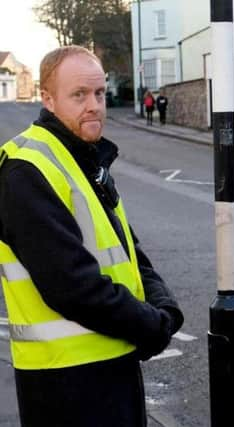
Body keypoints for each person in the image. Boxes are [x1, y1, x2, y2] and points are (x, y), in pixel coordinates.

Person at [0, 46, 183, 427]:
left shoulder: (85, 158)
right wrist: (153, 327)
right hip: (66, 386)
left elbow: (128, 250)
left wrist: (164, 305)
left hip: (110, 368)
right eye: (79, 95)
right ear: (47, 99)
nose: (94, 106)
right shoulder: (26, 169)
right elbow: (71, 285)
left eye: (99, 94)